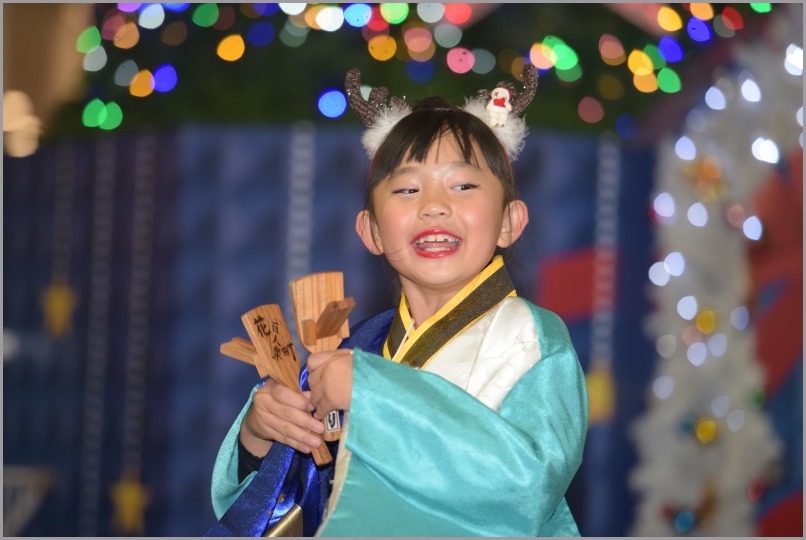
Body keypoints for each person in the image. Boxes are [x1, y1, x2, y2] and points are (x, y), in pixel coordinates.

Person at [206, 65, 588, 537]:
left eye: (463, 186)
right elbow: (302, 500)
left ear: (510, 222)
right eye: (407, 189)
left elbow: (530, 484)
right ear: (371, 232)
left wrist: (373, 397)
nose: (433, 205)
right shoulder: (358, 348)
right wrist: (261, 436)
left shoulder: (532, 338)